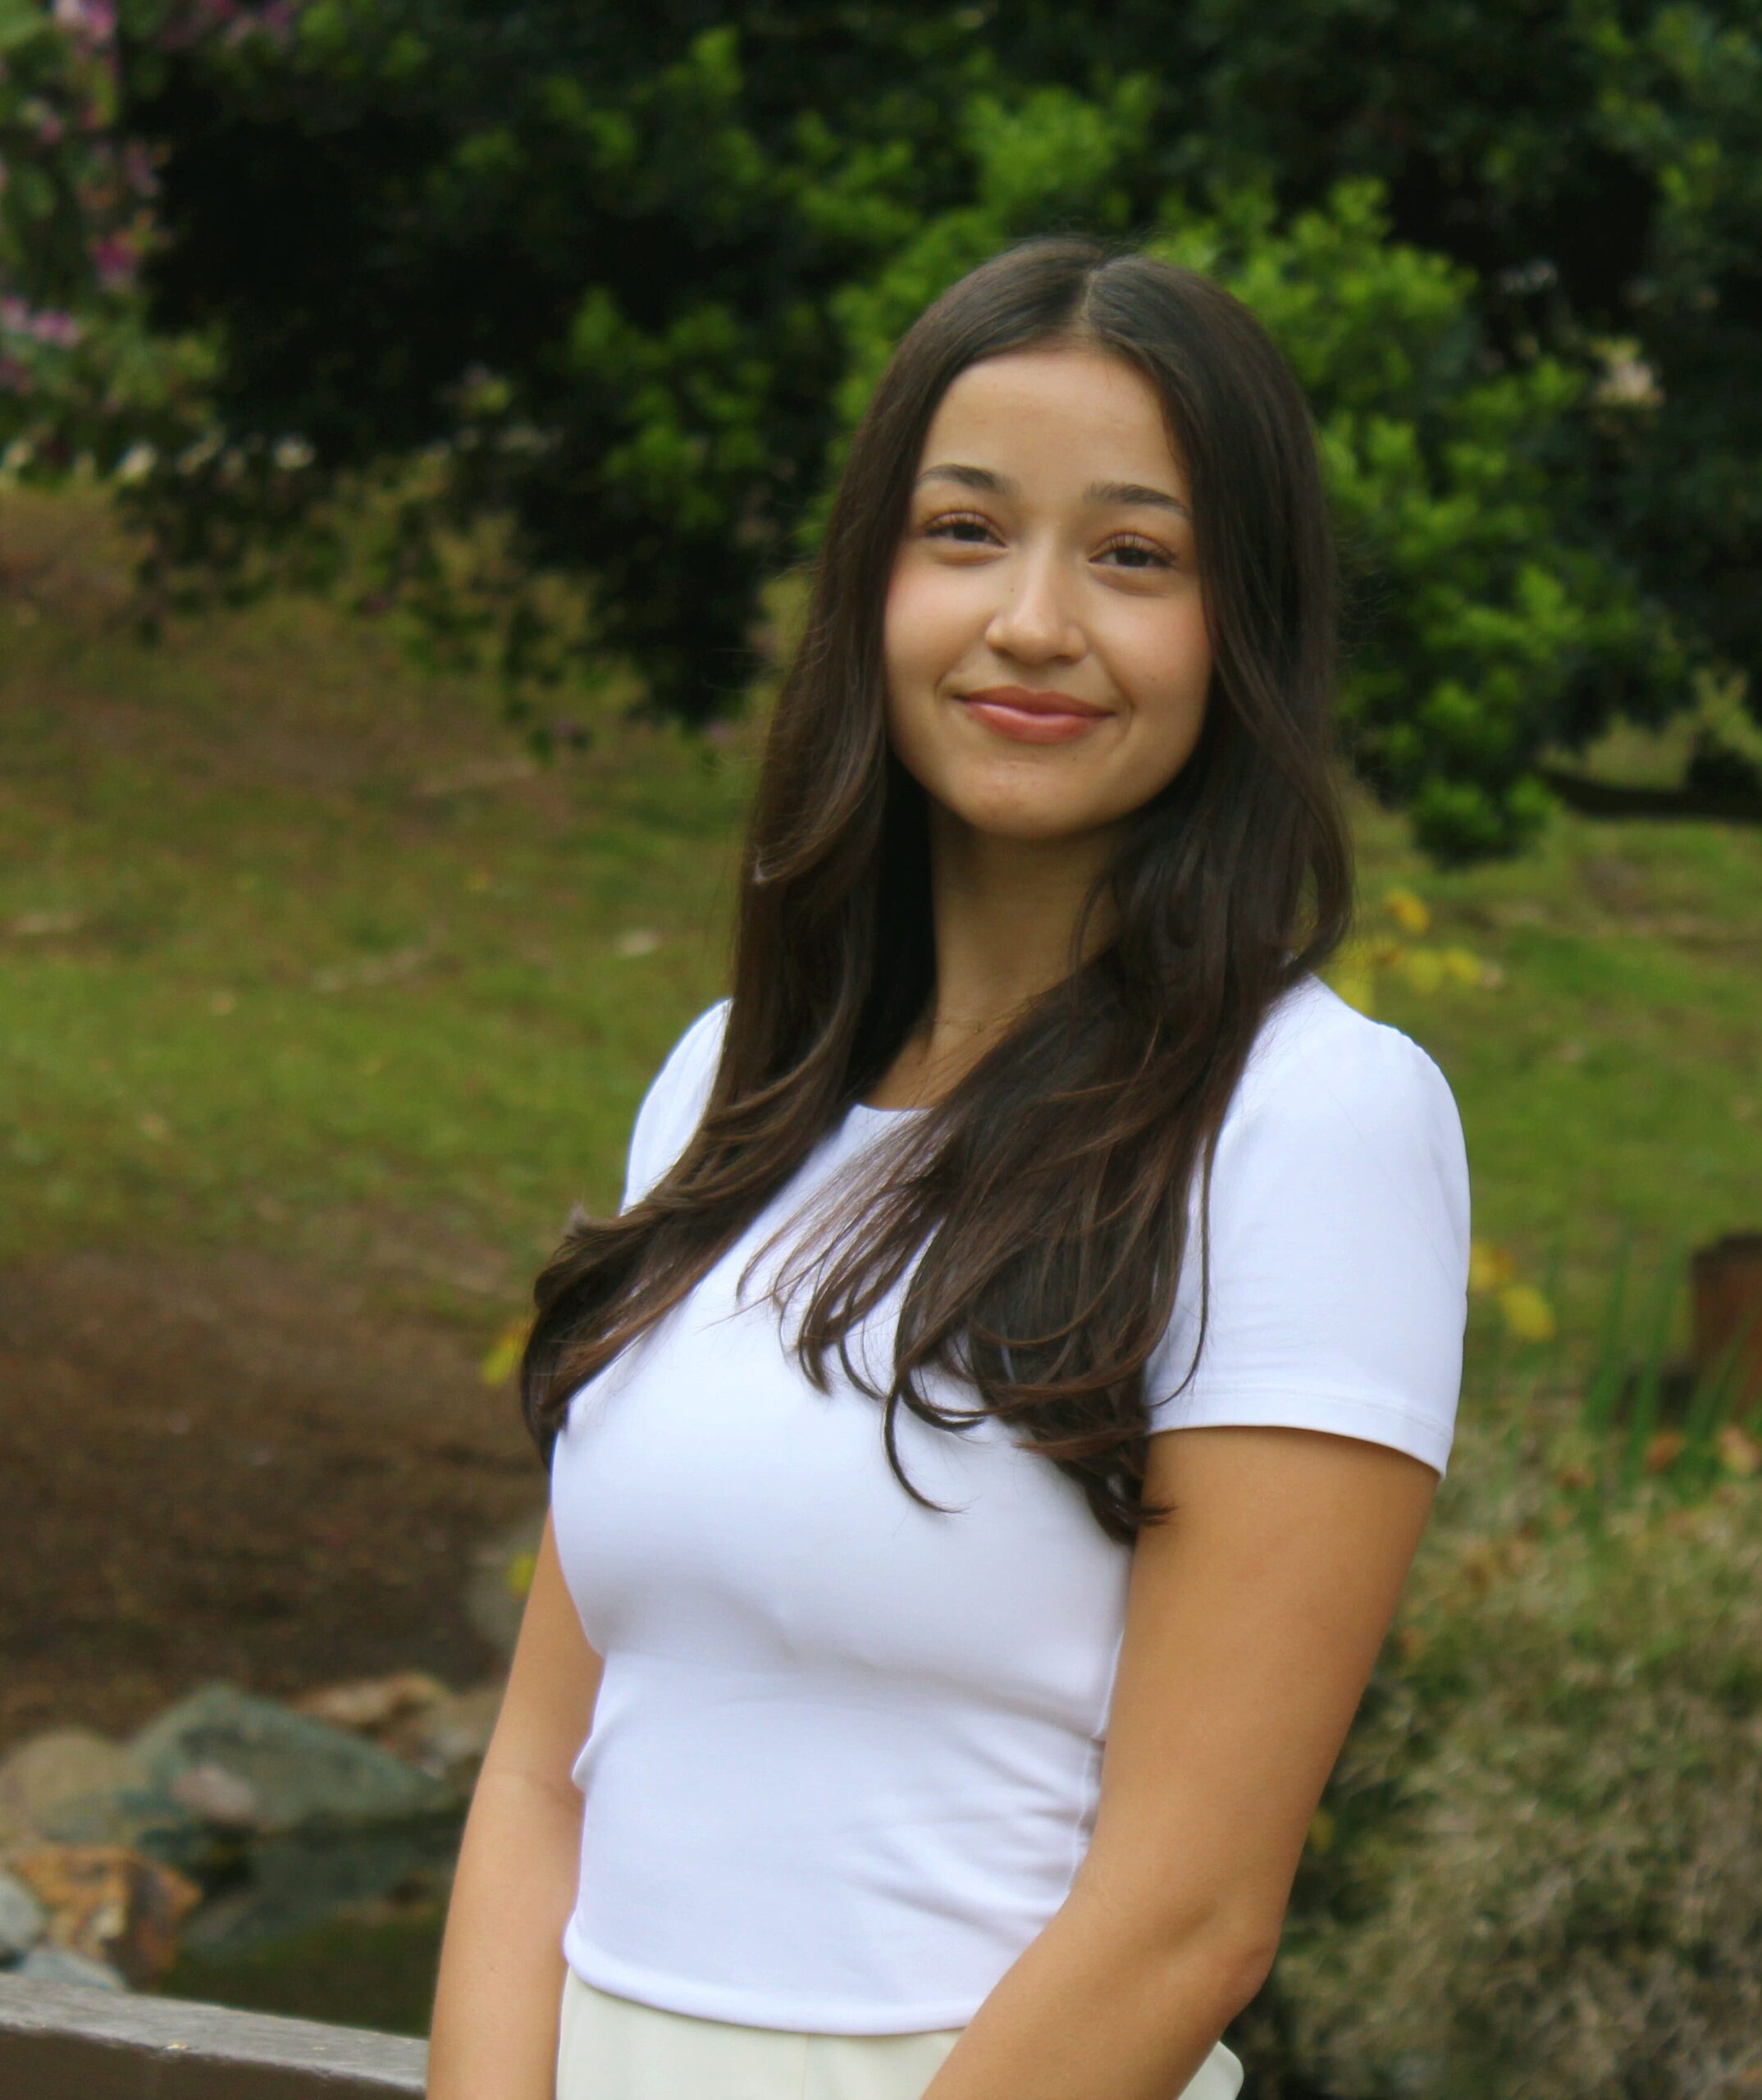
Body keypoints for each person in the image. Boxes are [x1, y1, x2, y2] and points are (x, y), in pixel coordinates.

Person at [426, 233, 1471, 2100]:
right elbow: (536, 1769)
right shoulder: (726, 1086)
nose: (1032, 621)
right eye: (965, 530)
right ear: (871, 583)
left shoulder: (1311, 1120)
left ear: (1244, 630)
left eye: (1132, 555)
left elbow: (1193, 1909)